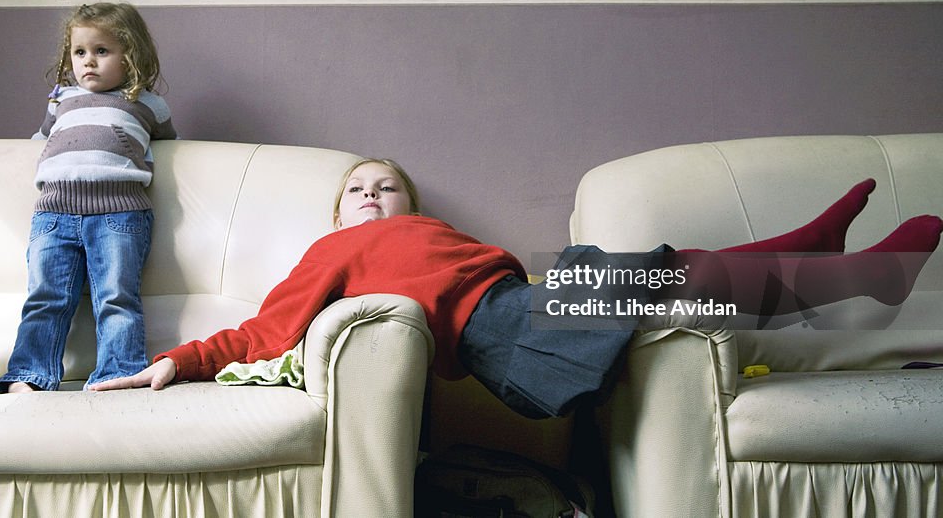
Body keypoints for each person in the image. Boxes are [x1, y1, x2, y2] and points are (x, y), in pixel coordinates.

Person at [91, 160, 942, 419]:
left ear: (416, 204)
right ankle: (850, 269)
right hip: (503, 332)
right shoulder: (333, 252)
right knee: (655, 273)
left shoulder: (431, 234)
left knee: (666, 276)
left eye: (389, 188)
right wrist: (178, 360)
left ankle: (826, 260)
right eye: (358, 190)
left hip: (524, 299)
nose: (374, 197)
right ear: (337, 213)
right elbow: (264, 333)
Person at [0, 3, 177, 394]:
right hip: (54, 213)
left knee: (116, 296)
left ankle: (118, 373)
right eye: (80, 52)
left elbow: (169, 144)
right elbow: (41, 139)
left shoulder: (146, 102)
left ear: (131, 57)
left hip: (119, 214)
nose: (88, 62)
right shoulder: (61, 99)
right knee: (45, 297)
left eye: (102, 51)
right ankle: (28, 375)